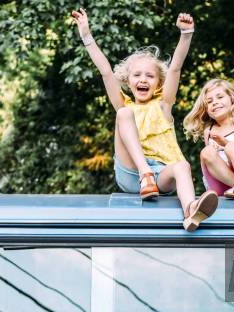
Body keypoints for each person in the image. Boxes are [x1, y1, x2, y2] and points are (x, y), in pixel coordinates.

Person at [71, 8, 217, 232]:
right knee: (123, 114)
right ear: (128, 81)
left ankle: (191, 210)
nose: (143, 79)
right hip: (132, 174)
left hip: (160, 177)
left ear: (158, 83)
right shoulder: (125, 105)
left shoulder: (163, 105)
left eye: (150, 76)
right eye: (137, 75)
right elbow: (106, 72)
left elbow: (175, 68)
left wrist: (186, 34)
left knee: (182, 166)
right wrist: (86, 36)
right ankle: (144, 173)